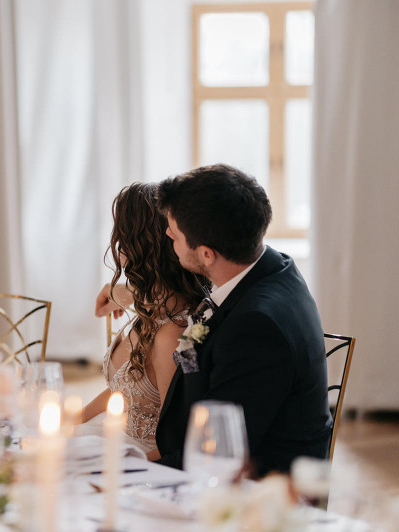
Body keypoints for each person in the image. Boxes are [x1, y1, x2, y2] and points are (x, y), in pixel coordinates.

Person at [154, 163, 333, 476]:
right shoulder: (270, 265)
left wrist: (132, 471)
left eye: (175, 234)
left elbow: (218, 454)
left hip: (255, 492)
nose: (168, 234)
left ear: (207, 254)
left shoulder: (257, 328)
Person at [83, 183, 207, 459]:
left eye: (120, 231)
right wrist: (75, 419)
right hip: (111, 437)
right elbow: (125, 392)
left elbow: (177, 441)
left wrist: (111, 466)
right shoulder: (152, 306)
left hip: (141, 463)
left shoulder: (171, 336)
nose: (115, 242)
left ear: (140, 243)